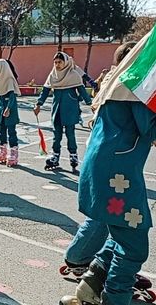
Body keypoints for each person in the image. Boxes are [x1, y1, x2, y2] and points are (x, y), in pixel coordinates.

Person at [59, 27, 156, 305]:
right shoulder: (139, 86)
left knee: (119, 231)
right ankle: (114, 297)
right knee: (134, 246)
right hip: (117, 174)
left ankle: (90, 285)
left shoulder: (124, 80)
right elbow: (148, 125)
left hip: (107, 169)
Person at [33, 52, 92, 172]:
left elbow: (82, 91)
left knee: (70, 134)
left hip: (70, 108)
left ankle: (73, 156)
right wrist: (39, 104)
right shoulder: (53, 75)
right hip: (57, 109)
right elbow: (45, 91)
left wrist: (90, 103)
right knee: (57, 134)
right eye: (55, 62)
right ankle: (55, 156)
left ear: (65, 62)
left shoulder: (73, 75)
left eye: (60, 62)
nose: (57, 65)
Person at [0, 59, 21, 167]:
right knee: (2, 131)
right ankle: (2, 150)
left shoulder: (9, 80)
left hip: (10, 110)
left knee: (12, 131)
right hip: (1, 109)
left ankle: (13, 152)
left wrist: (8, 108)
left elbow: (12, 96)